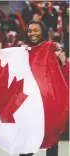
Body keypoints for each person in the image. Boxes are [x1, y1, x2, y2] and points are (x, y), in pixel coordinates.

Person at [19, 20, 65, 156]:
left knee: (52, 141)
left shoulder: (50, 48)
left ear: (42, 32)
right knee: (28, 144)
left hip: (48, 103)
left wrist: (57, 56)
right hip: (30, 105)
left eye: (36, 30)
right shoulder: (23, 51)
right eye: (30, 31)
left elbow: (58, 74)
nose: (32, 33)